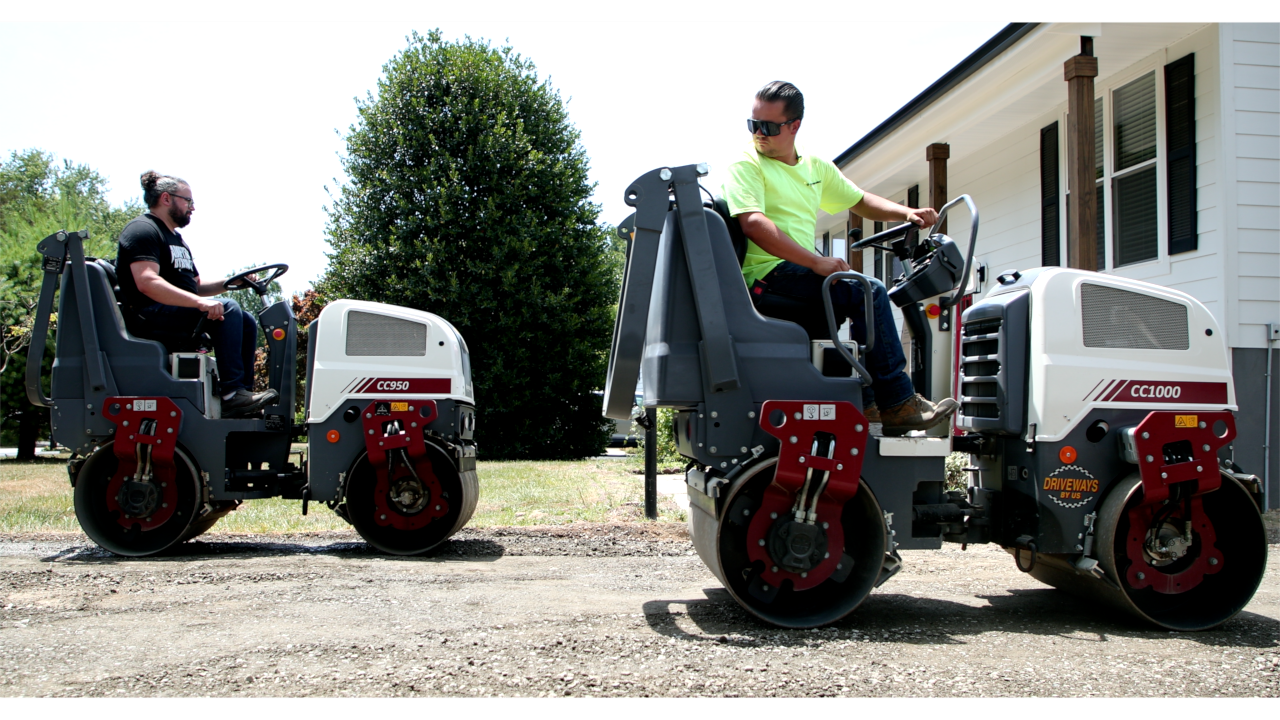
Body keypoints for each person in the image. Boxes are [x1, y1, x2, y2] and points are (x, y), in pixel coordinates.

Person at [723, 81, 958, 435]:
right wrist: (816, 262)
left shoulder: (816, 168)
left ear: (794, 126)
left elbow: (858, 199)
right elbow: (754, 224)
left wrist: (906, 212)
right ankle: (897, 401)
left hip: (795, 276)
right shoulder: (748, 164)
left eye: (768, 127)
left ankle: (865, 401)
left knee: (851, 303)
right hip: (765, 278)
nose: (758, 133)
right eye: (752, 124)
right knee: (868, 291)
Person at [116, 171, 277, 417]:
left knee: (244, 319)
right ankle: (232, 394)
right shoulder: (142, 230)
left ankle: (243, 396)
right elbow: (147, 281)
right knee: (229, 309)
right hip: (148, 315)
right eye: (188, 201)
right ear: (167, 198)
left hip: (174, 311)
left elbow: (196, 286)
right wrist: (200, 303)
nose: (193, 207)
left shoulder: (177, 240)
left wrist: (231, 282)